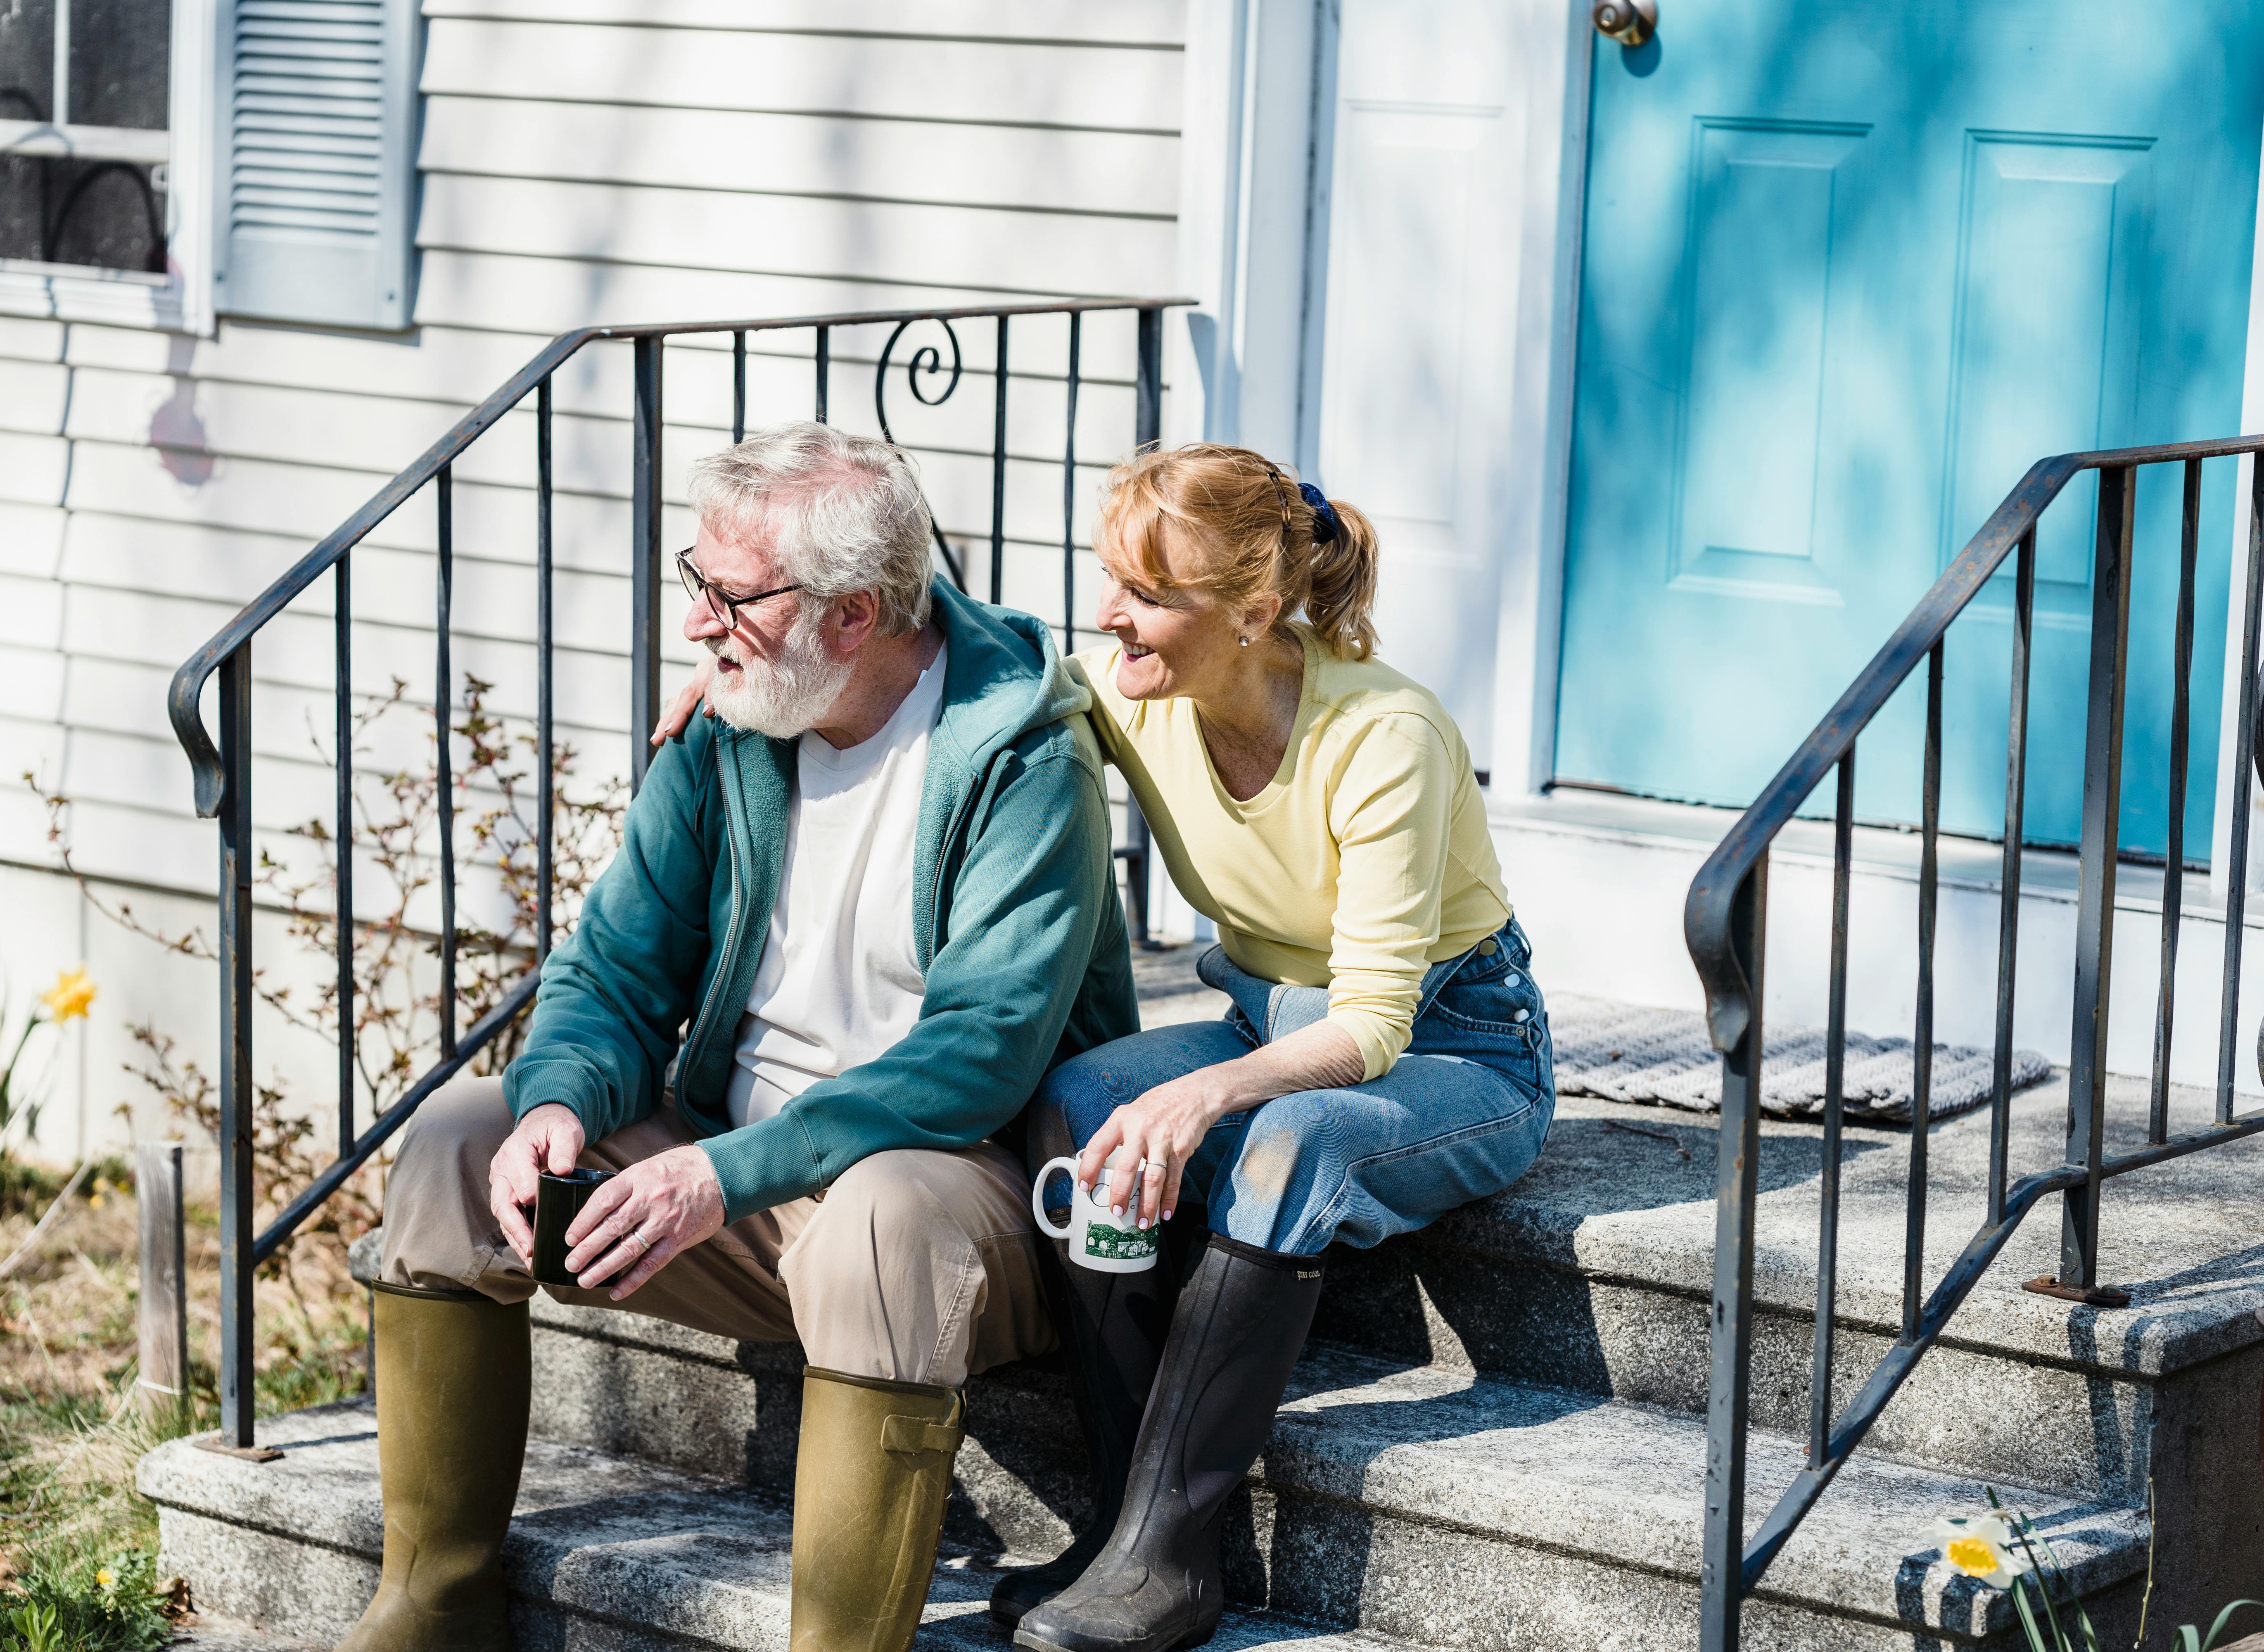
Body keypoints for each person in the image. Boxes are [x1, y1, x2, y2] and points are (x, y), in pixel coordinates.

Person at [658, 442, 1555, 1652]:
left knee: (1286, 1149)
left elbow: (1375, 1024)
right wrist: (747, 666)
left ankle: (1174, 1554)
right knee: (1084, 1096)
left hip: (1458, 1045)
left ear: (1250, 611)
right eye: (1105, 578)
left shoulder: (1386, 735)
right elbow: (943, 632)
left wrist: (1203, 1101)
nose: (1105, 613)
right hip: (1265, 1014)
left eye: (1144, 592)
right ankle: (1121, 1527)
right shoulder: (1131, 686)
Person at [345, 422, 1138, 1652]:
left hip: (957, 1191)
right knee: (462, 1135)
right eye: (696, 580)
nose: (700, 623)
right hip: (736, 1174)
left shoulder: (1024, 761)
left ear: (856, 616)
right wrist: (559, 1099)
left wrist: (723, 1174)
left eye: (735, 595)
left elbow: (981, 1052)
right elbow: (611, 968)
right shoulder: (729, 729)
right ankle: (430, 1611)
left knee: (879, 1221)